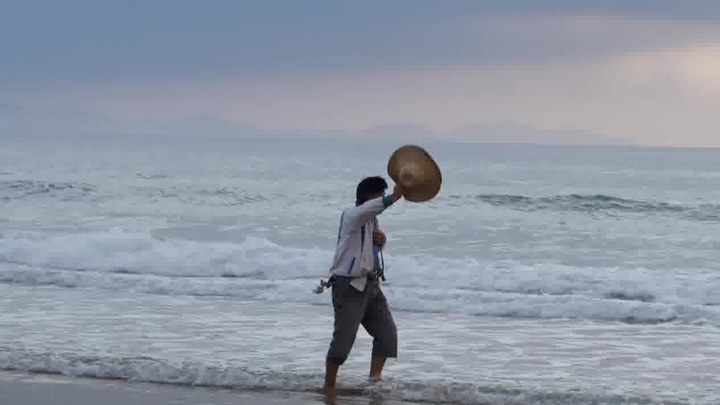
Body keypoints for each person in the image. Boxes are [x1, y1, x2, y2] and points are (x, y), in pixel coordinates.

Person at [315, 176, 403, 390]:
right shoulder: (351, 215)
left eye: (384, 194)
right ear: (368, 197)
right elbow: (369, 210)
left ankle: (374, 382)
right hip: (348, 287)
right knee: (342, 346)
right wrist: (393, 197)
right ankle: (329, 387)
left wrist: (380, 244)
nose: (382, 198)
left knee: (387, 336)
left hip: (372, 285)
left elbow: (365, 252)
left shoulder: (372, 220)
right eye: (379, 195)